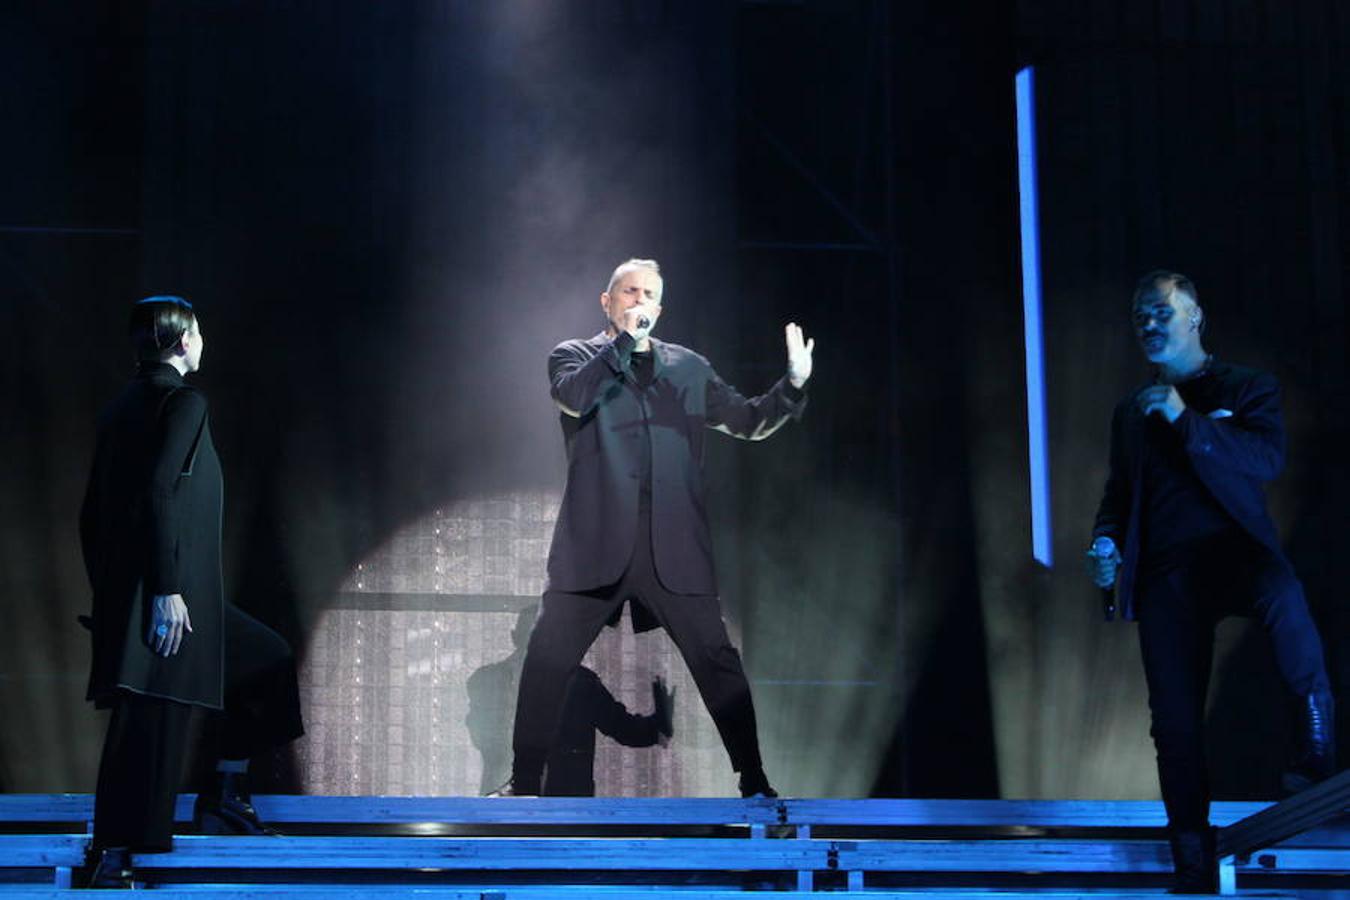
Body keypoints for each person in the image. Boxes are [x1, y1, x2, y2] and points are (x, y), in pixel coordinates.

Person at [503, 258, 813, 798]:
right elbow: (574, 398)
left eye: (648, 294)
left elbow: (747, 420)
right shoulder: (575, 357)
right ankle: (525, 781)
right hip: (595, 544)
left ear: (660, 308)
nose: (638, 301)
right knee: (548, 658)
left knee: (717, 661)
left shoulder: (687, 368)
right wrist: (621, 345)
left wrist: (791, 386)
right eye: (628, 292)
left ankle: (755, 781)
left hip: (673, 549)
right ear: (608, 302)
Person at [1088, 271, 1336, 892]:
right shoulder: (1130, 411)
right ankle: (1191, 860)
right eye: (1139, 315)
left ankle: (1316, 740)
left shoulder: (1244, 388)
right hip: (1167, 573)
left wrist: (1186, 419)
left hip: (1233, 549)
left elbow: (1264, 459)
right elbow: (1119, 493)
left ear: (1194, 316)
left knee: (1283, 595)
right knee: (1172, 722)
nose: (1148, 325)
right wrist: (1106, 542)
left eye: (1160, 313)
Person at [78, 296, 304, 887]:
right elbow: (158, 491)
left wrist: (111, 596)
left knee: (261, 660)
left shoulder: (120, 407)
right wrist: (165, 590)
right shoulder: (183, 401)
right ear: (182, 343)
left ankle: (221, 794)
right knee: (149, 715)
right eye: (198, 334)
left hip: (142, 590)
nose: (202, 343)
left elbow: (91, 514)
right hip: (167, 590)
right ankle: (117, 852)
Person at [542, 668, 674, 797]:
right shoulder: (580, 682)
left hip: (550, 796)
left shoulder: (578, 682)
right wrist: (658, 726)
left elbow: (622, 726)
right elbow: (622, 727)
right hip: (568, 799)